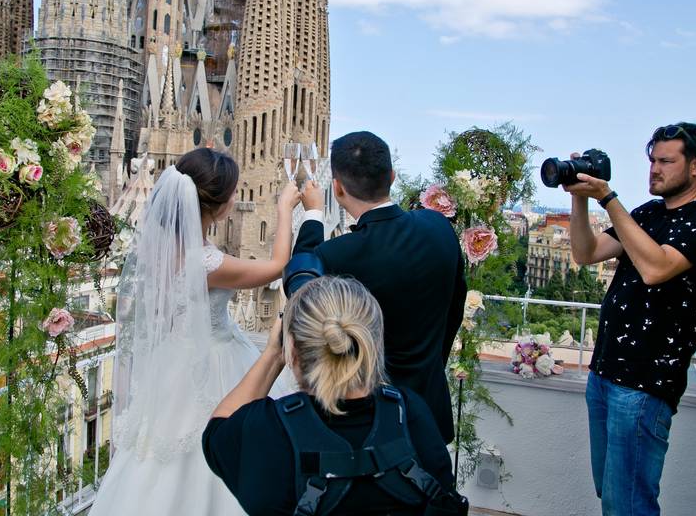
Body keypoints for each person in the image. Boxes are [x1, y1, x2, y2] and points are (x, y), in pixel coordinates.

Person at [89, 148, 300, 516]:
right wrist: (285, 209)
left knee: (155, 455)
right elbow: (279, 265)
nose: (237, 199)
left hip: (173, 360)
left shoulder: (165, 249)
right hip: (214, 360)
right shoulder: (207, 263)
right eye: (234, 193)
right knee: (219, 446)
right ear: (215, 205)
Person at [564, 122, 696, 516]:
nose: (654, 170)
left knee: (629, 503)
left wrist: (608, 197)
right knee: (611, 495)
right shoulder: (648, 213)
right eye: (652, 160)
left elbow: (656, 268)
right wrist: (580, 199)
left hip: (645, 383)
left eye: (666, 161)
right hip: (605, 373)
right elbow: (586, 252)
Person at [203, 276, 464, 515]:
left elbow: (217, 432)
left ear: (292, 349)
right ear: (370, 343)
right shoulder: (408, 414)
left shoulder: (269, 430)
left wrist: (273, 355)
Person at [293, 131, 466, 443]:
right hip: (430, 414)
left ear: (338, 187)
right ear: (392, 177)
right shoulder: (439, 227)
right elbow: (455, 308)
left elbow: (298, 291)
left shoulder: (335, 256)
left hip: (370, 425)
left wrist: (314, 214)